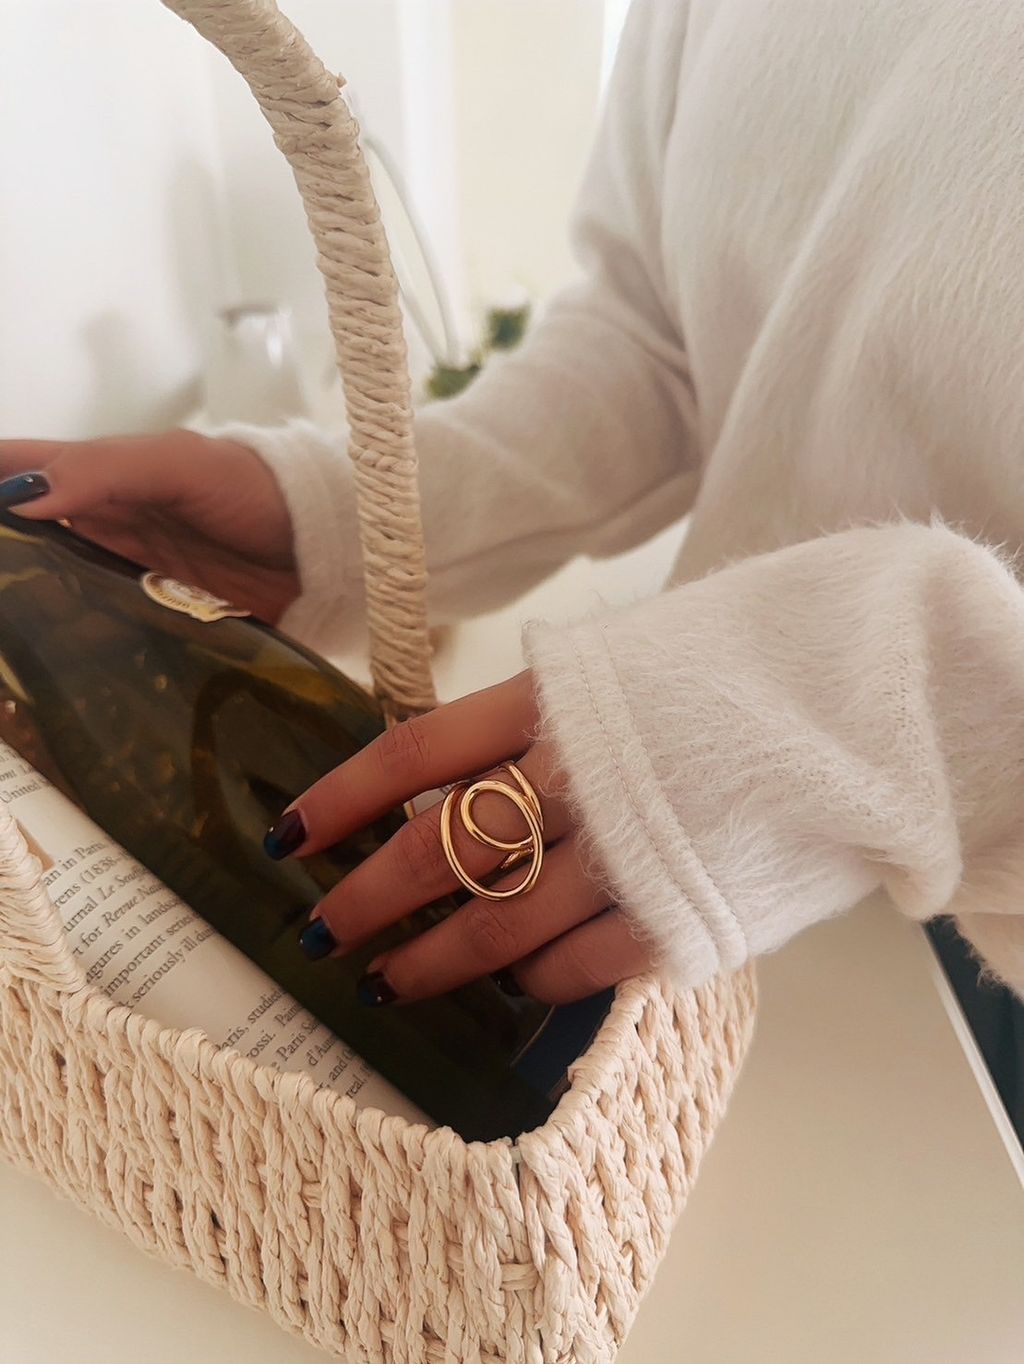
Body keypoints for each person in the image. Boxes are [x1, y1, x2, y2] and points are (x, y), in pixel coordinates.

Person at [2, 0, 1024, 1011]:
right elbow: (653, 342)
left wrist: (856, 719)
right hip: (683, 864)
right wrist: (330, 515)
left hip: (963, 914)